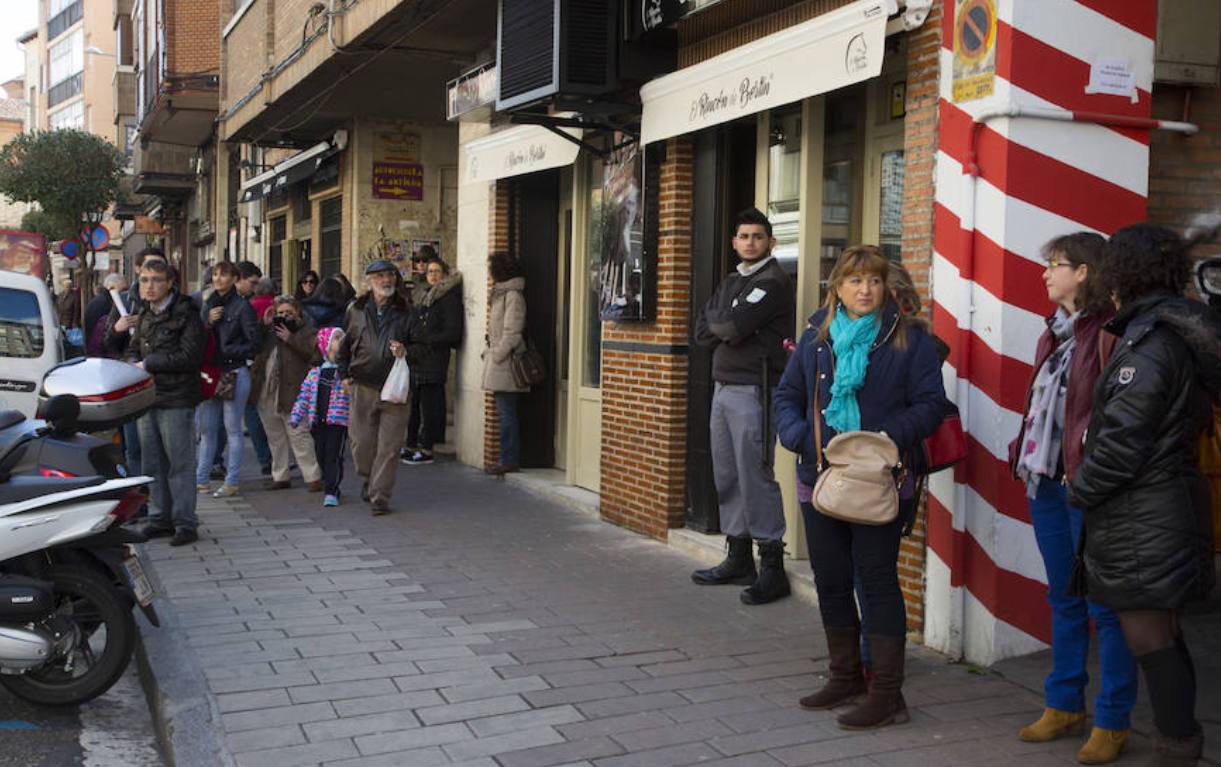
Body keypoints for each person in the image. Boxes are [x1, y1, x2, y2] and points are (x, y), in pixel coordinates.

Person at [774, 245, 945, 730]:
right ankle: (845, 676)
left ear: (885, 286)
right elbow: (787, 395)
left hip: (881, 479)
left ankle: (888, 694)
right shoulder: (815, 337)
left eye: (873, 280)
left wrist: (884, 441)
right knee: (830, 579)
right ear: (837, 289)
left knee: (876, 579)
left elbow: (932, 404)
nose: (865, 289)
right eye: (854, 281)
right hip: (820, 476)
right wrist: (801, 438)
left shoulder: (909, 340)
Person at [1069, 224, 1220, 766]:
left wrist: (1079, 490)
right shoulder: (1158, 332)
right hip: (1156, 509)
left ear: (1122, 273)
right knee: (1161, 639)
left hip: (1146, 514)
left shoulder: (1150, 344)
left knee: (1153, 642)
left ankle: (1177, 751)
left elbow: (1122, 444)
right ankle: (1179, 745)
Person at [1006, 233, 1138, 763]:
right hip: (1047, 482)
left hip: (1088, 486)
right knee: (1062, 594)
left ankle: (1113, 719)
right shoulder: (1053, 333)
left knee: (1106, 606)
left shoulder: (1111, 332)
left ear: (1084, 272)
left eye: (1054, 266)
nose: (1045, 274)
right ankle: (1064, 704)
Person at [691, 208, 796, 605]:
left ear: (771, 242)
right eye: (744, 236)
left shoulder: (774, 282)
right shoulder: (733, 280)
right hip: (722, 388)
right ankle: (739, 557)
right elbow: (704, 330)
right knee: (727, 474)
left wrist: (727, 323)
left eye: (758, 236)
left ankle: (772, 565)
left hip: (755, 388)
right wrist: (727, 323)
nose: (750, 242)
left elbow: (731, 328)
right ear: (734, 242)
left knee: (755, 474)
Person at [108, 259, 205, 546]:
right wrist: (130, 362)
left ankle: (185, 522)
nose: (149, 286)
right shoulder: (145, 313)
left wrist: (148, 363)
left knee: (179, 463)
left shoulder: (187, 313)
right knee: (152, 462)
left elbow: (190, 357)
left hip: (176, 397)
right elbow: (132, 348)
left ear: (170, 283)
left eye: (156, 280)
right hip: (147, 396)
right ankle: (160, 518)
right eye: (145, 280)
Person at [336, 260, 413, 515]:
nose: (386, 280)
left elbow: (424, 348)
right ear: (369, 281)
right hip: (362, 386)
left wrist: (406, 351)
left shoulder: (406, 311)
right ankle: (368, 478)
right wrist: (343, 374)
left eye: (390, 275)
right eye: (379, 276)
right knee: (360, 443)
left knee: (389, 446)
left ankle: (380, 495)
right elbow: (345, 346)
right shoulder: (355, 310)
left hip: (395, 388)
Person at [197, 261, 259, 498]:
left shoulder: (243, 307)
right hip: (210, 372)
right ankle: (201, 479)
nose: (218, 279)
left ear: (234, 279)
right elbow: (197, 338)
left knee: (233, 428)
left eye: (224, 275)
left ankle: (231, 480)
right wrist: (208, 322)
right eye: (215, 274)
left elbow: (254, 344)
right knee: (207, 430)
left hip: (233, 371)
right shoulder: (208, 304)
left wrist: (227, 349)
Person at [251, 295, 323, 491]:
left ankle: (313, 476)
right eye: (280, 313)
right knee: (274, 436)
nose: (284, 317)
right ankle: (280, 475)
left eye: (289, 313)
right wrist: (263, 324)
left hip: (294, 392)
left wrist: (291, 339)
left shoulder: (307, 331)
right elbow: (252, 344)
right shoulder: (269, 332)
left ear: (298, 313)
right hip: (267, 391)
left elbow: (316, 355)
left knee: (299, 433)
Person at [402, 256, 463, 465]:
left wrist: (427, 340)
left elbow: (453, 332)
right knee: (415, 404)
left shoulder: (448, 298)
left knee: (430, 406)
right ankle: (410, 445)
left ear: (444, 275)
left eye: (437, 271)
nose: (433, 275)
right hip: (417, 357)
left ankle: (427, 448)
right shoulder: (423, 296)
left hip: (434, 357)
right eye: (430, 272)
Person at [290, 327, 351, 507]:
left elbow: (352, 392)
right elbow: (304, 397)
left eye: (342, 338)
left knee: (334, 455)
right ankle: (328, 481)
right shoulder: (315, 373)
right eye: (336, 338)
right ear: (325, 345)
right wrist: (296, 416)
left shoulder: (345, 372)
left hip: (337, 421)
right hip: (318, 421)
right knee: (321, 454)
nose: (341, 341)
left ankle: (332, 490)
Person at [482, 251, 528, 476]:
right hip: (499, 360)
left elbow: (512, 332)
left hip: (507, 363)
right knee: (504, 412)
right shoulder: (501, 294)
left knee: (507, 413)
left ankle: (509, 459)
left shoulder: (513, 296)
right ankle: (506, 458)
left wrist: (497, 354)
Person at [85, 273, 128, 357]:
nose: (125, 293)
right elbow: (101, 335)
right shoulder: (104, 304)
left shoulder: (100, 301)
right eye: (123, 289)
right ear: (111, 287)